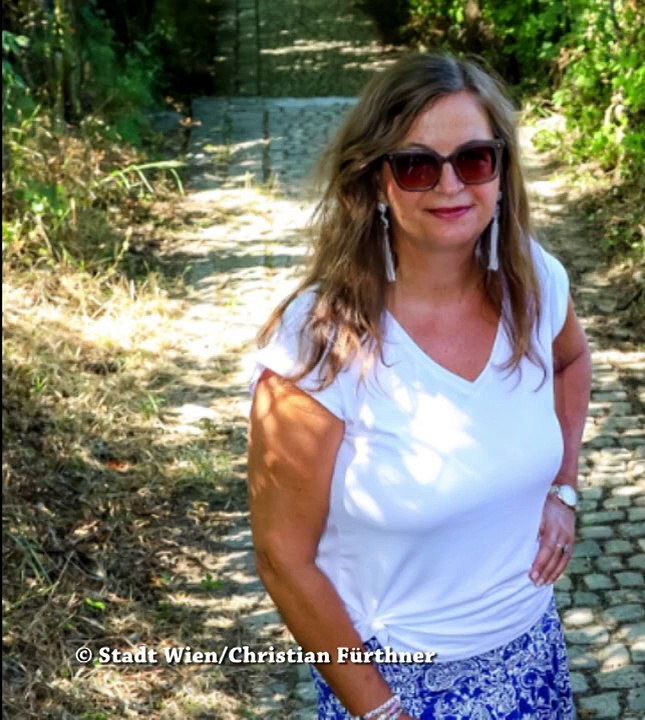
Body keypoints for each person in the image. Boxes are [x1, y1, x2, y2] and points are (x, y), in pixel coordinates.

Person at [246, 53, 589, 720]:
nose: (450, 185)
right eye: (416, 165)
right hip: (395, 683)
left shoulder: (534, 282)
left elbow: (572, 362)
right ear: (376, 180)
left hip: (532, 663)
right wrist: (379, 711)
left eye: (475, 159)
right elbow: (282, 557)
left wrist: (563, 487)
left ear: (501, 171)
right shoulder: (319, 340)